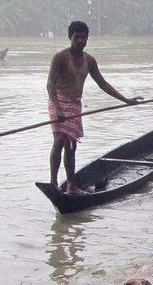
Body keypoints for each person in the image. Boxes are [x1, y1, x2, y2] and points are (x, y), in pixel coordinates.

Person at [47, 20, 144, 195]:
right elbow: (50, 85)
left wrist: (126, 100)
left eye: (84, 37)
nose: (80, 41)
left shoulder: (89, 60)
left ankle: (71, 186)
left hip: (74, 103)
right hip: (58, 101)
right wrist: (58, 108)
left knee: (71, 145)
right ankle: (53, 184)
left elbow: (103, 84)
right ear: (70, 37)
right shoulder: (60, 57)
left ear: (87, 39)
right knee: (59, 140)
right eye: (77, 37)